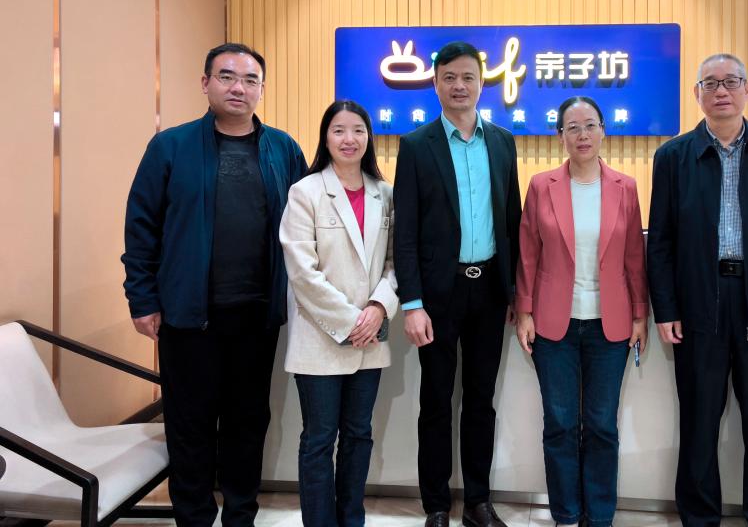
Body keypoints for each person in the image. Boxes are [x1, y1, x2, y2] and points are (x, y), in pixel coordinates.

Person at [122, 42, 307, 526]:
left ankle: (241, 515)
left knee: (249, 422)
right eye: (227, 76)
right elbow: (141, 226)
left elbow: (307, 226)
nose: (238, 87)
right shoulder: (171, 146)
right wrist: (142, 298)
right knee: (190, 425)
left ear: (261, 89)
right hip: (188, 315)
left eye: (250, 80)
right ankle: (194, 517)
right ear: (205, 83)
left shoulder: (283, 149)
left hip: (257, 314)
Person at [646, 53, 748, 527]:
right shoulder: (673, 157)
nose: (721, 91)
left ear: (747, 89)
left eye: (731, 81)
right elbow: (660, 242)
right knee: (699, 421)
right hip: (699, 302)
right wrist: (666, 308)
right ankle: (699, 517)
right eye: (711, 83)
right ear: (697, 93)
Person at [393, 41, 522, 527]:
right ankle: (436, 505)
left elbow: (512, 220)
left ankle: (478, 502)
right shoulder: (416, 145)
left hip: (488, 290)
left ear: (482, 83)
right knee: (435, 401)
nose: (459, 86)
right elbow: (405, 231)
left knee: (481, 400)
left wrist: (514, 292)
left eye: (468, 77)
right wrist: (412, 303)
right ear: (435, 84)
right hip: (437, 296)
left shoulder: (502, 142)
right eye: (449, 77)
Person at [515, 96, 648, 527]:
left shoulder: (625, 187)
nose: (583, 135)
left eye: (590, 125)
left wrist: (640, 315)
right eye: (572, 127)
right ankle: (567, 514)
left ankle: (600, 515)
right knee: (559, 424)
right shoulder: (542, 185)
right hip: (554, 325)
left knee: (602, 425)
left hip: (611, 325)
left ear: (603, 130)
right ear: (560, 136)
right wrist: (524, 311)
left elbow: (634, 255)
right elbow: (528, 253)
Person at [279, 100, 399, 527]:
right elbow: (302, 271)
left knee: (358, 435)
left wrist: (378, 308)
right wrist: (351, 321)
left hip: (370, 337)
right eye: (339, 130)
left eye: (358, 131)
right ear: (325, 138)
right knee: (318, 439)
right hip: (320, 338)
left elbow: (395, 263)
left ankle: (352, 519)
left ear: (369, 137)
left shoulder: (385, 193)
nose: (349, 139)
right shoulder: (305, 191)